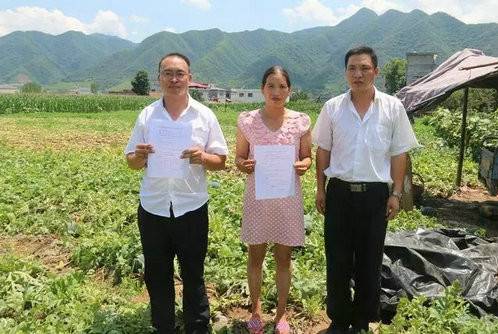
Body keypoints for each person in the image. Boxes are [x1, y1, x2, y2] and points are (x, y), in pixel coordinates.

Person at [312, 46, 419, 334]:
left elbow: (399, 154)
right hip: (339, 193)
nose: (357, 74)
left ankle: (361, 321)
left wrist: (396, 194)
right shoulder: (332, 107)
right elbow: (323, 151)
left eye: (364, 68)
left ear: (376, 71)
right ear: (345, 72)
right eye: (352, 69)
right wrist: (320, 189)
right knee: (337, 259)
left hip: (375, 196)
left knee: (370, 261)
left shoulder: (392, 107)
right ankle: (339, 318)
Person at [124, 52, 228, 334]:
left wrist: (202, 157)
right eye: (168, 73)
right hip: (154, 207)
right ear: (159, 78)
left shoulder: (204, 116)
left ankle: (197, 326)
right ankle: (164, 326)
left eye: (179, 73)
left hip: (191, 207)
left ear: (190, 78)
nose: (174, 79)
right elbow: (130, 162)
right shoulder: (147, 115)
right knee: (157, 274)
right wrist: (140, 156)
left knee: (193, 272)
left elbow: (221, 161)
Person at [235, 66, 312, 334]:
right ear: (262, 89)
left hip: (287, 200)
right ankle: (255, 309)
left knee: (283, 259)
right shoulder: (247, 121)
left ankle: (281, 314)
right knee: (255, 258)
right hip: (258, 198)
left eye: (282, 86)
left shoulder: (300, 121)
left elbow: (307, 157)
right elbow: (239, 157)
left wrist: (304, 164)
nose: (276, 92)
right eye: (271, 85)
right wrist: (244, 165)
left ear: (289, 90)